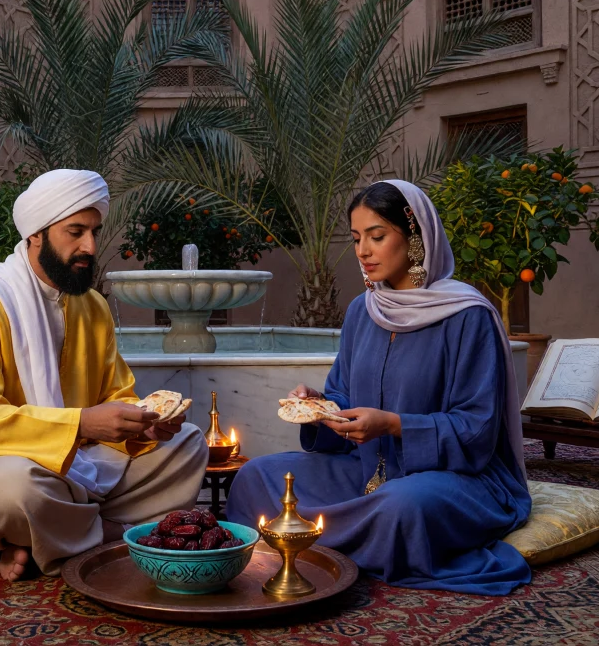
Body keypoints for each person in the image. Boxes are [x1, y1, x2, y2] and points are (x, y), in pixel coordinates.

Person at [225, 180, 532, 595]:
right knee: (256, 476)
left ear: (416, 238)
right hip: (367, 469)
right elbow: (346, 398)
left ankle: (318, 548)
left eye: (377, 236)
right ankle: (353, 545)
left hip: (453, 479)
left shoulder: (466, 315)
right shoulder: (362, 310)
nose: (363, 251)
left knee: (403, 507)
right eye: (356, 239)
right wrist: (321, 407)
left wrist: (392, 425)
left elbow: (477, 429)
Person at [0, 169, 208, 581]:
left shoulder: (92, 306)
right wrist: (80, 424)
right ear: (36, 234)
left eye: (95, 232)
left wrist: (142, 426)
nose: (90, 246)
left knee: (187, 445)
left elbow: (118, 394)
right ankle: (110, 533)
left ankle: (47, 536)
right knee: (18, 487)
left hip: (73, 461)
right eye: (75, 232)